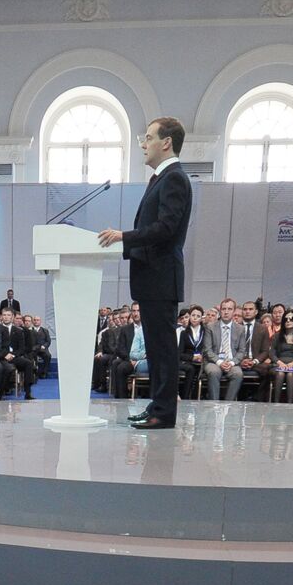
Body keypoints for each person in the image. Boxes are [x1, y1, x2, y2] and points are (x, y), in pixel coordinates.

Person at [99, 116, 193, 430]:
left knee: (163, 349)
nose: (143, 143)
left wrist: (124, 236)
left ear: (166, 142)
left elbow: (166, 228)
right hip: (152, 276)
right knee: (154, 347)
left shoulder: (174, 178)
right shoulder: (161, 178)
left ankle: (164, 413)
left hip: (161, 276)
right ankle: (156, 406)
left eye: (149, 137)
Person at [202, 298, 246, 402]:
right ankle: (214, 404)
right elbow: (207, 350)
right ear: (220, 311)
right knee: (214, 372)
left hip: (232, 361)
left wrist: (231, 362)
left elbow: (241, 351)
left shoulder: (240, 329)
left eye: (229, 309)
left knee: (238, 374)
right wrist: (220, 362)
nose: (226, 312)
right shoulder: (210, 327)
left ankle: (228, 405)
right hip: (214, 361)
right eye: (224, 309)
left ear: (234, 311)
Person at [110, 303, 149, 399]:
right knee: (121, 368)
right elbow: (120, 349)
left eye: (138, 311)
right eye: (134, 311)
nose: (136, 313)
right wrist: (130, 360)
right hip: (129, 360)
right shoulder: (125, 329)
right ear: (131, 312)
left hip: (146, 360)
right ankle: (122, 399)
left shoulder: (149, 328)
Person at [270, 308, 293, 403]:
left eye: (291, 319)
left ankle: (290, 404)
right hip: (278, 364)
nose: (288, 321)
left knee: (290, 374)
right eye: (286, 319)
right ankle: (276, 403)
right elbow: (272, 354)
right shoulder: (277, 336)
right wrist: (279, 362)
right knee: (280, 374)